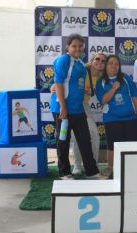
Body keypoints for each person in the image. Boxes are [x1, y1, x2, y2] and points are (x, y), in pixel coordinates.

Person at [50, 33, 103, 180]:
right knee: (63, 141)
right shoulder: (63, 60)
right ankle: (64, 172)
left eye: (80, 46)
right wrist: (63, 107)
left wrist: (85, 90)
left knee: (85, 140)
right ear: (68, 47)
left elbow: (76, 84)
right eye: (74, 46)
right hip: (63, 110)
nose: (77, 48)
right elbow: (59, 84)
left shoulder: (80, 63)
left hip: (78, 109)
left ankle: (92, 171)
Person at [96, 55, 137, 178]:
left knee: (132, 145)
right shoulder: (101, 82)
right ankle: (111, 168)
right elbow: (103, 100)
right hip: (112, 119)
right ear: (106, 65)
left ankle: (133, 169)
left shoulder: (126, 78)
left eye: (116, 64)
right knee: (112, 146)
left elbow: (135, 95)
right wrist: (114, 88)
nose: (114, 66)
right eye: (111, 63)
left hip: (130, 118)